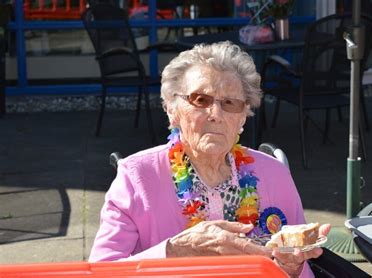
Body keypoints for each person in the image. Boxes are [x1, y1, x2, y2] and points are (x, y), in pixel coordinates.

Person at [89, 41, 331, 278]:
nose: (215, 114)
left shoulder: (274, 174)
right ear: (172, 110)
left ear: (243, 117)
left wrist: (291, 268)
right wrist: (174, 251)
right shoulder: (137, 178)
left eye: (229, 103)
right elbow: (100, 273)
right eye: (200, 100)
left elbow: (302, 268)